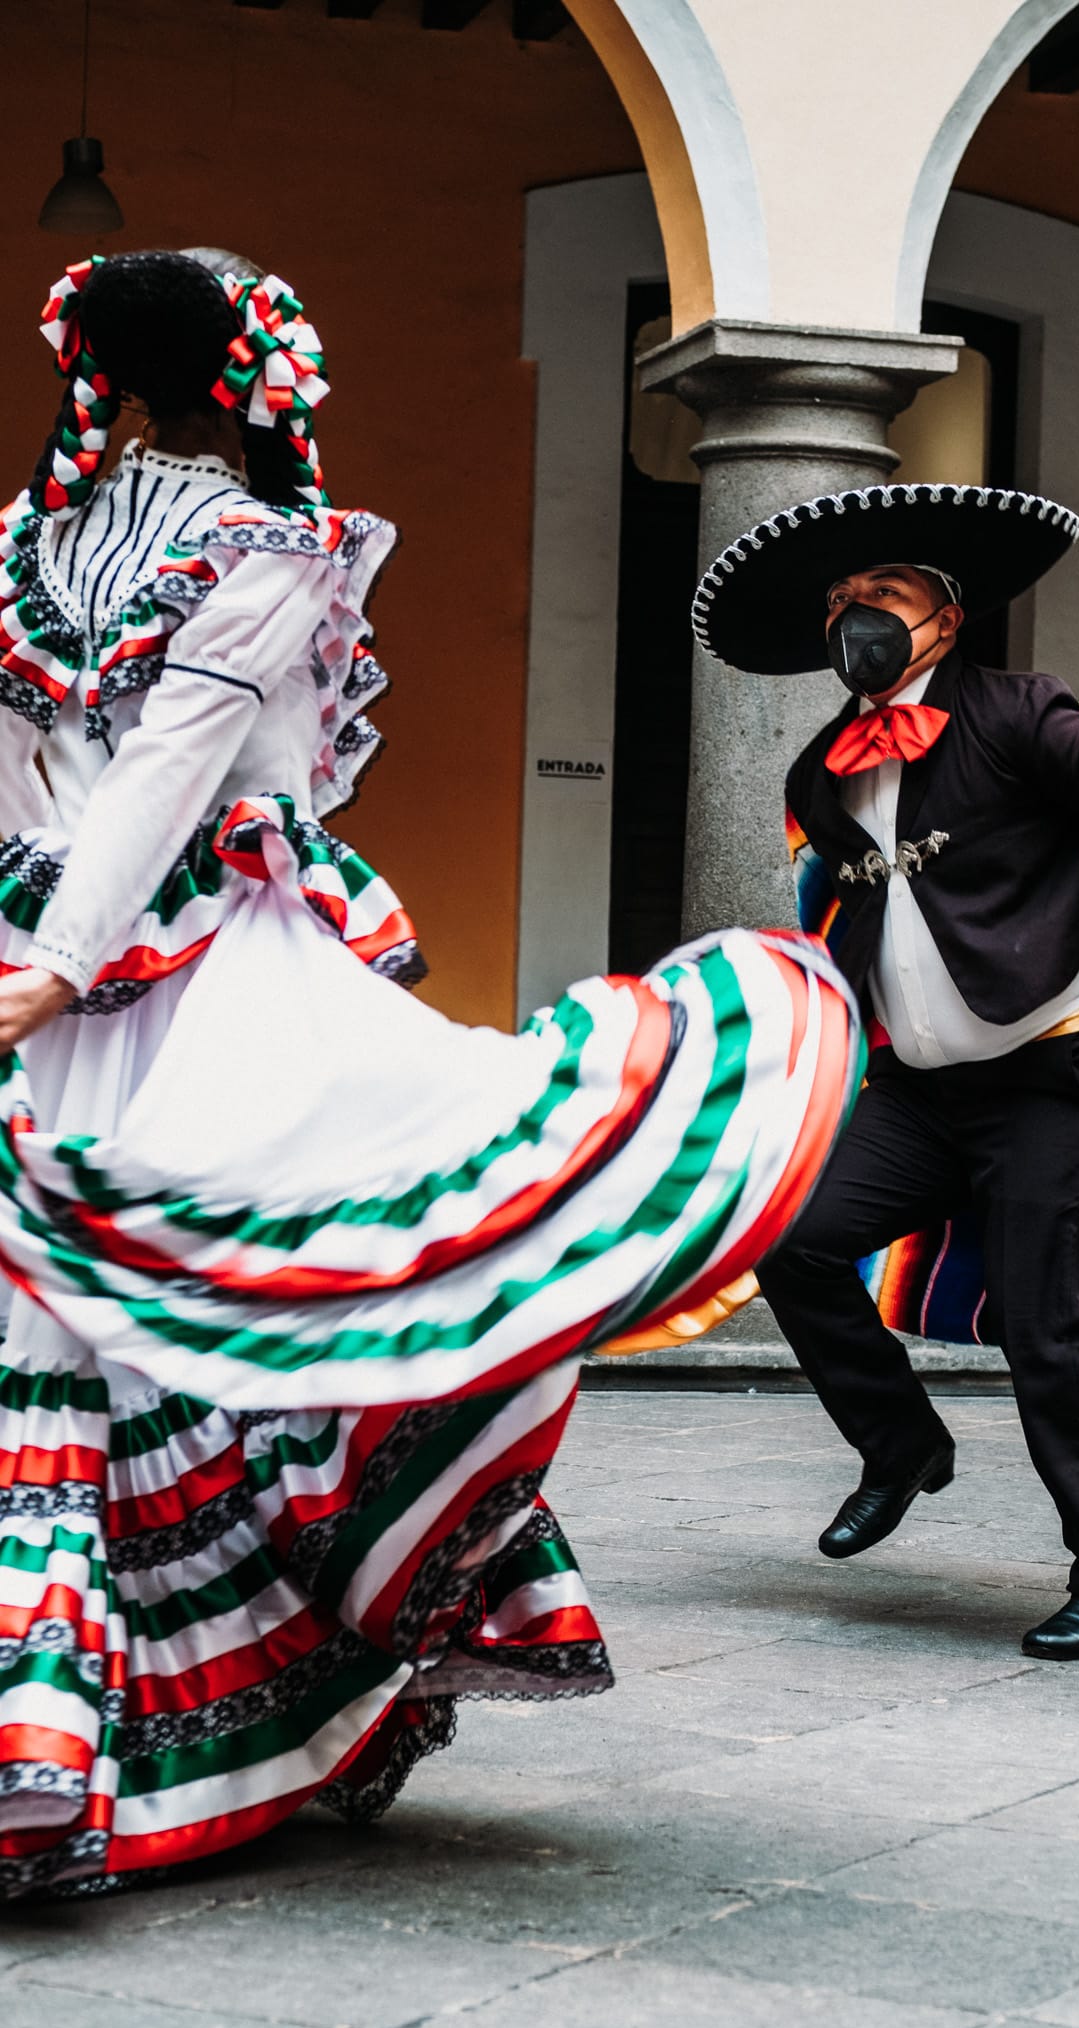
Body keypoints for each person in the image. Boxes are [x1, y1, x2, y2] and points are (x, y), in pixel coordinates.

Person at [0, 251, 861, 1899]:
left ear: (93, 377)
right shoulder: (257, 549)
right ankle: (201, 1731)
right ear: (251, 383)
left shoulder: (22, 550)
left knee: (69, 1346)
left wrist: (30, 960)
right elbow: (175, 776)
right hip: (194, 977)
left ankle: (61, 1739)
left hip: (44, 965)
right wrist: (65, 957)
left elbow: (40, 787)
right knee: (301, 1309)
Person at [690, 482, 1079, 1661]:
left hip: (1058, 1077)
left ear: (946, 618)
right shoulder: (822, 769)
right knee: (787, 1233)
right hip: (922, 1094)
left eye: (884, 593)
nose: (855, 615)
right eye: (839, 599)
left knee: (1045, 1325)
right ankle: (900, 1442)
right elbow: (835, 918)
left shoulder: (1024, 714)